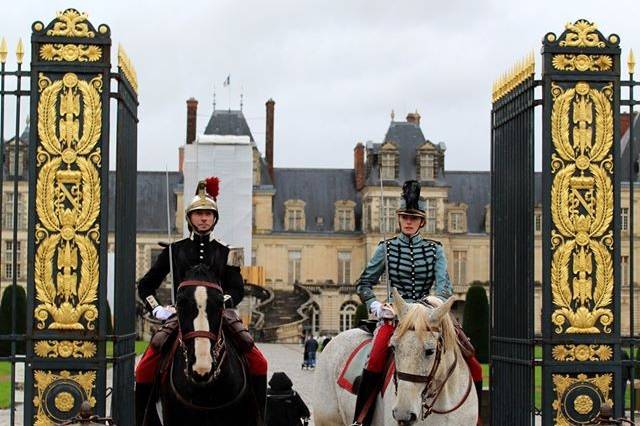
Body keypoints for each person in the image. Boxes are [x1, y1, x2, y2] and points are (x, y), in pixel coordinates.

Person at [134, 177, 268, 425]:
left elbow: (237, 289)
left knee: (259, 361)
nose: (203, 218)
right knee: (144, 367)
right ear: (190, 218)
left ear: (215, 218)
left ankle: (259, 418)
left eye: (208, 213)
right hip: (181, 316)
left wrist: (220, 304)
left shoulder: (228, 252)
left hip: (221, 316)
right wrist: (158, 309)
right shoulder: (174, 251)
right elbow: (145, 286)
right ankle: (143, 419)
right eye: (198, 214)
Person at [351, 180, 483, 426]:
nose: (408, 222)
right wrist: (376, 306)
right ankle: (362, 417)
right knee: (376, 357)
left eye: (413, 218)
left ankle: (478, 418)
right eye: (404, 217)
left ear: (422, 221)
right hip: (397, 317)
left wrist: (431, 307)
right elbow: (364, 283)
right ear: (399, 220)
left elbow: (445, 287)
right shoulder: (386, 248)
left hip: (430, 315)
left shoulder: (435, 250)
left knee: (472, 359)